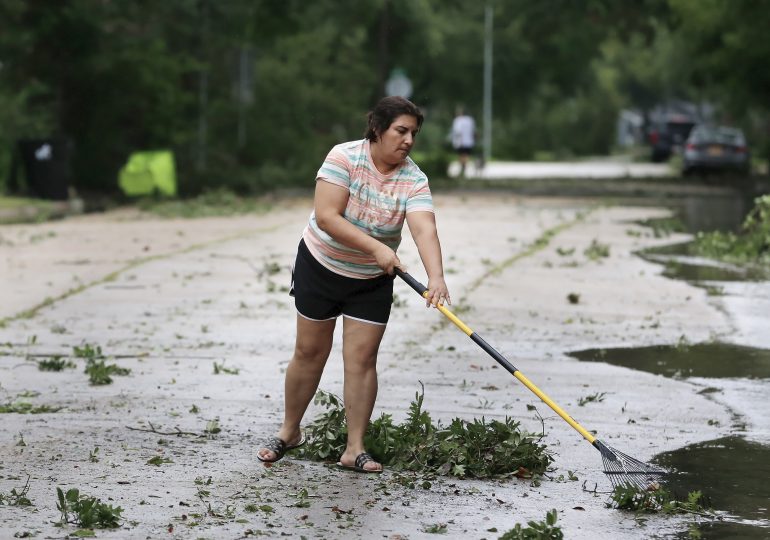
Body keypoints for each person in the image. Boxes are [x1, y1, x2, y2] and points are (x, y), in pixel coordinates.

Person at [257, 96, 451, 473]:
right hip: (321, 265)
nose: (409, 139)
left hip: (371, 280)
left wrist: (436, 276)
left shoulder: (414, 179)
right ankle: (289, 431)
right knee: (310, 352)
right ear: (377, 128)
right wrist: (377, 247)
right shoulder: (344, 158)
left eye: (414, 133)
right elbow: (328, 217)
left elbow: (424, 228)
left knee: (362, 360)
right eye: (401, 130)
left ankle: (354, 448)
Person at [450, 106, 476, 177]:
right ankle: (464, 168)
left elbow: (457, 131)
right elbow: (473, 131)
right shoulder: (470, 120)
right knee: (466, 155)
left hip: (460, 141)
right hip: (469, 141)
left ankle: (462, 169)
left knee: (461, 155)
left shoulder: (458, 120)